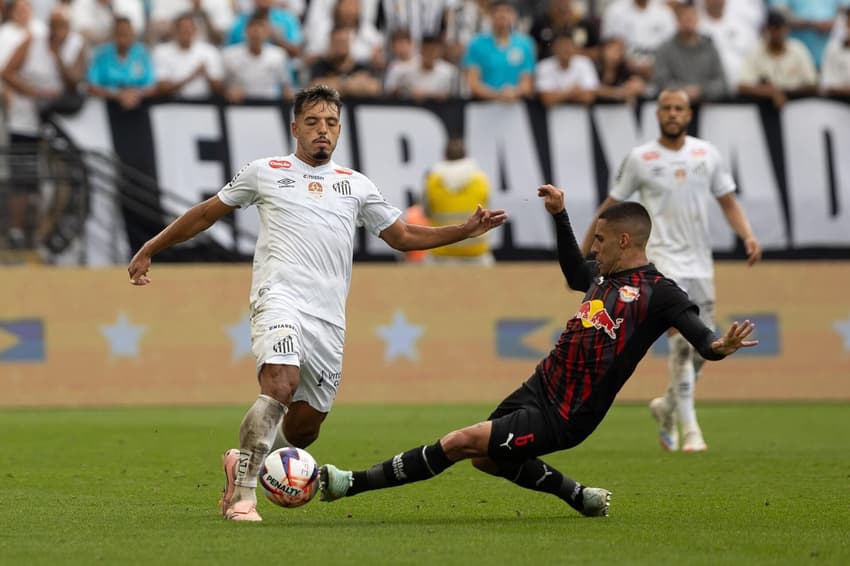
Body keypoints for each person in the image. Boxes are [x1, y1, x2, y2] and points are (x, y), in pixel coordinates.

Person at [125, 85, 507, 522]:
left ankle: (242, 459)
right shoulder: (264, 172)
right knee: (280, 383)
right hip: (278, 297)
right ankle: (242, 498)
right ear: (294, 128)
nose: (321, 131)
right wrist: (151, 247)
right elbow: (207, 213)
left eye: (329, 123)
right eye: (311, 122)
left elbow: (402, 237)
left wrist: (463, 230)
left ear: (339, 130)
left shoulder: (355, 186)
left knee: (304, 431)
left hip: (328, 318)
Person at [318, 185, 758, 515]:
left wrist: (720, 346)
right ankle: (578, 496)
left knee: (460, 442)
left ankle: (349, 483)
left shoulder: (660, 293)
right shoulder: (602, 277)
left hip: (569, 413)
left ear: (625, 241)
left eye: (600, 240)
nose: (594, 247)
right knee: (487, 460)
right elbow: (572, 271)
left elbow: (702, 338)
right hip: (539, 387)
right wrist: (561, 215)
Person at [580, 88, 762, 453]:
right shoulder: (641, 158)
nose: (673, 114)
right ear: (658, 114)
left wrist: (748, 235)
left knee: (705, 345)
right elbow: (612, 205)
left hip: (700, 263)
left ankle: (666, 406)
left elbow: (727, 201)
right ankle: (691, 430)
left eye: (679, 108)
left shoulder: (706, 154)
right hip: (662, 262)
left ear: (689, 114)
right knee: (680, 344)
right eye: (666, 108)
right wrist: (585, 247)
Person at [423, 137, 493, 265]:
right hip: (475, 253)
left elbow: (426, 212)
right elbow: (487, 211)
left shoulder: (432, 181)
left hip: (441, 253)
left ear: (444, 156)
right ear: (466, 156)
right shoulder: (481, 180)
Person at [736, 9, 818, 109]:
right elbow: (742, 86)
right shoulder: (755, 52)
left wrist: (784, 93)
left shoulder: (798, 50)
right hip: (765, 110)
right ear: (765, 30)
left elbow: (812, 85)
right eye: (772, 28)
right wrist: (768, 92)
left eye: (779, 28)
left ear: (787, 29)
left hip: (798, 109)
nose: (776, 33)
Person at [653, 2, 727, 102]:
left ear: (698, 19)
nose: (689, 20)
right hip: (675, 108)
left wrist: (701, 90)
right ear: (677, 20)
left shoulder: (709, 47)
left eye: (692, 16)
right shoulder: (664, 49)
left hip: (707, 107)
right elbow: (660, 81)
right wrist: (683, 90)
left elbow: (721, 82)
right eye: (685, 17)